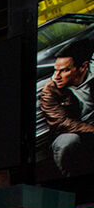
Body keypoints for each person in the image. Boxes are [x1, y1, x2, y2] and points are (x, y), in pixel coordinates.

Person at [39, 39, 94, 176]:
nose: (56, 76)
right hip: (72, 133)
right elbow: (61, 123)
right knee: (66, 143)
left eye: (64, 71)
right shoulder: (49, 91)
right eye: (55, 70)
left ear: (83, 67)